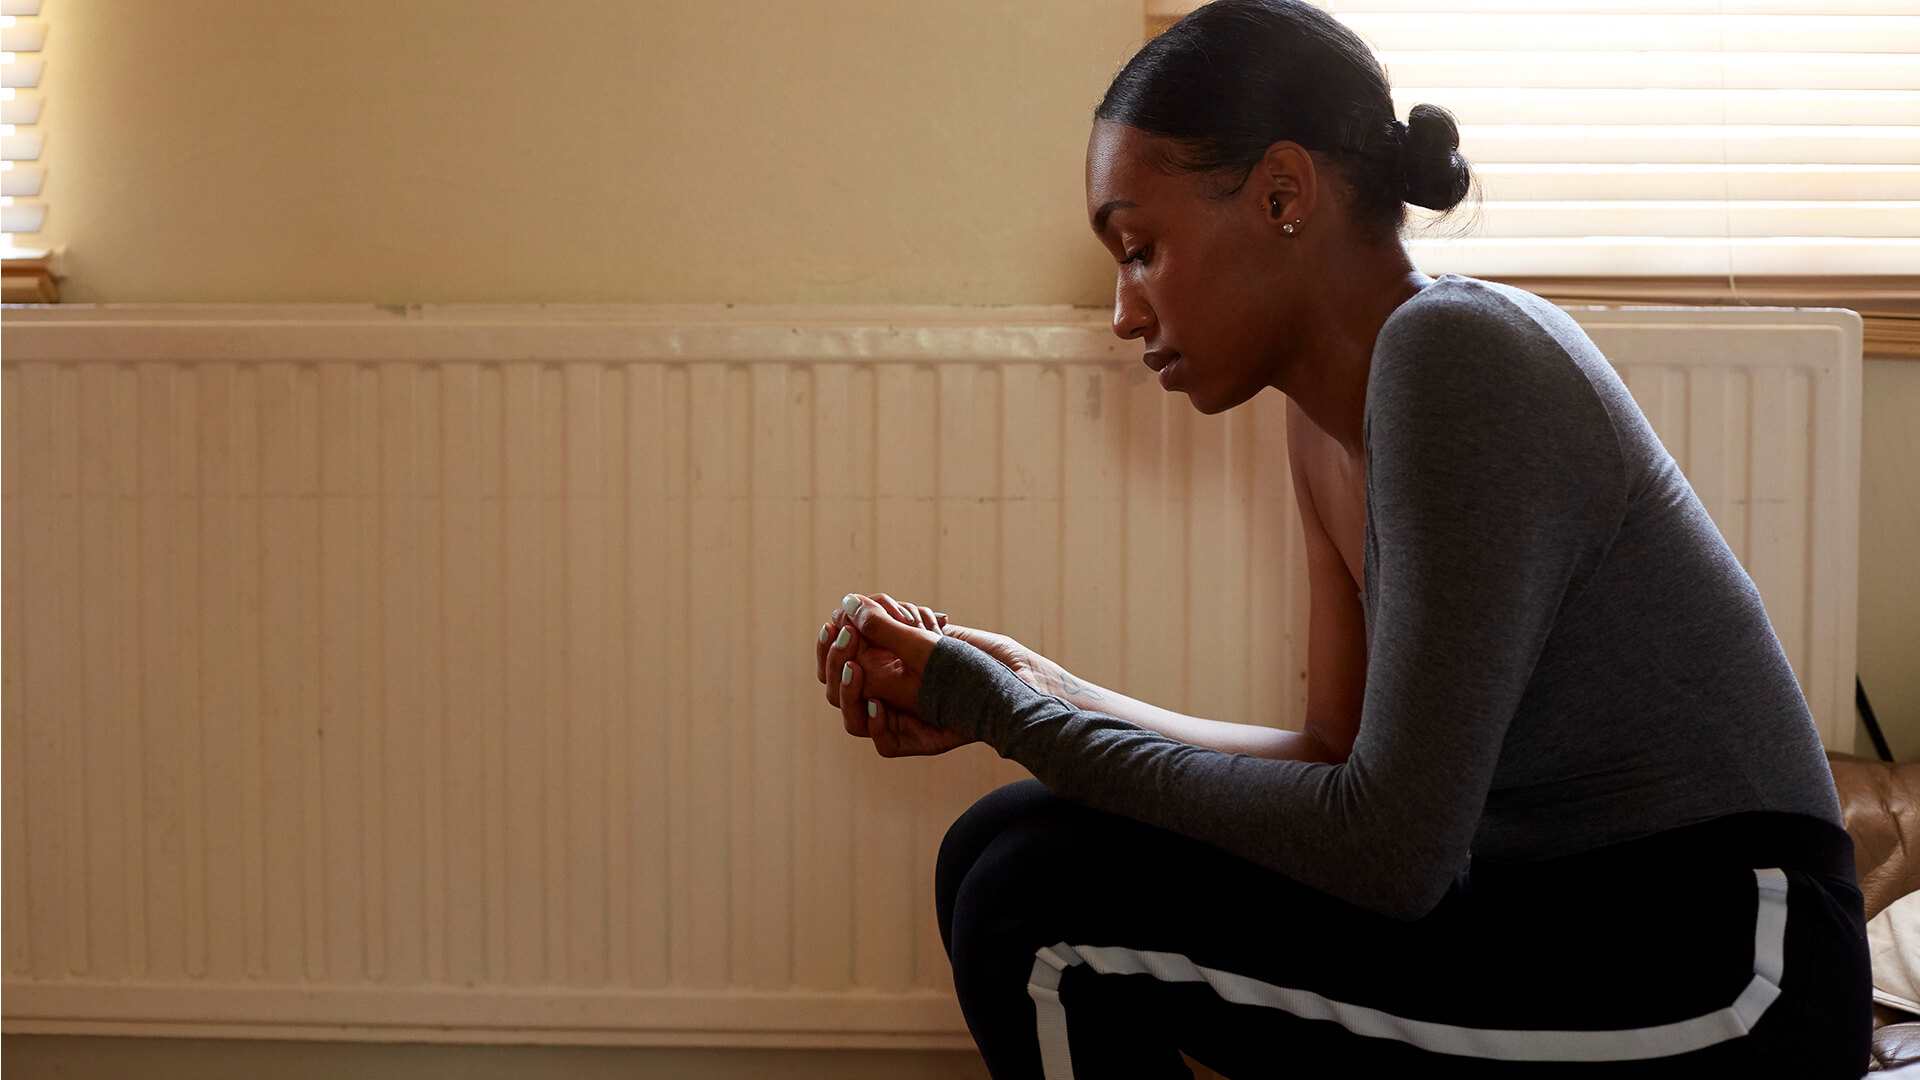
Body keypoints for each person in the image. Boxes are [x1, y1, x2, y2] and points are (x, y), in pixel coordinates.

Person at [812, 1, 1871, 1075]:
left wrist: (1014, 716)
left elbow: (1388, 853)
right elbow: (1334, 761)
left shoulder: (1457, 356)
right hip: (1553, 912)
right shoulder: (1326, 426)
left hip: (1734, 973)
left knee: (1035, 907)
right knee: (1001, 845)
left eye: (1139, 249)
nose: (1123, 311)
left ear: (1282, 193)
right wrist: (1028, 683)